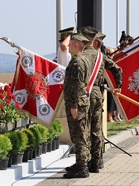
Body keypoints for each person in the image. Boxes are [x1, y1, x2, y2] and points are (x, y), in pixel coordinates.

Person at [79, 26, 123, 173]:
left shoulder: (81, 56)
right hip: (98, 94)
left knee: (84, 129)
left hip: (85, 94)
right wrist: (119, 86)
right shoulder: (100, 56)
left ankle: (83, 162)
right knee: (96, 129)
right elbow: (117, 69)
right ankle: (97, 161)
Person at [63, 33, 92, 178]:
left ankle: (82, 167)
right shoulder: (83, 59)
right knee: (80, 133)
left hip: (77, 103)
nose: (67, 46)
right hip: (80, 101)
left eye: (70, 43)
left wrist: (74, 105)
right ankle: (80, 162)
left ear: (76, 45)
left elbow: (78, 85)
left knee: (79, 134)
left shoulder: (77, 62)